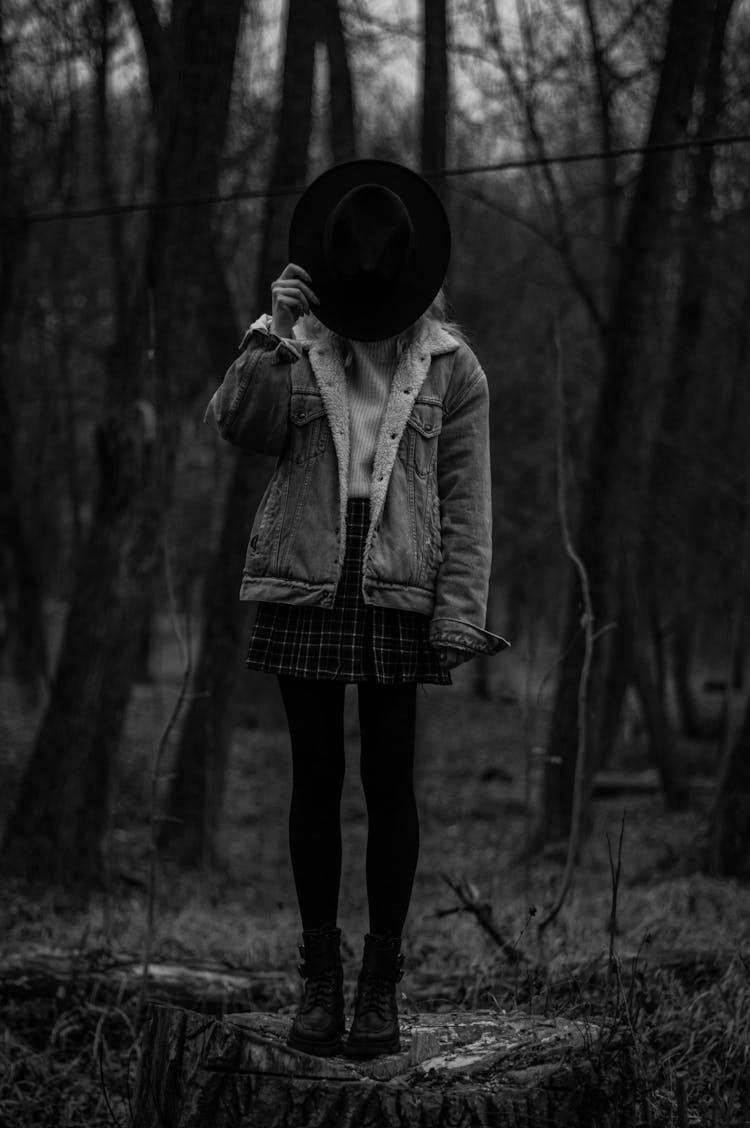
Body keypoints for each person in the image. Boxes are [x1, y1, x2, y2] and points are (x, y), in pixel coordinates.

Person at [205, 159, 507, 1060]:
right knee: (314, 782)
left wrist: (459, 611)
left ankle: (380, 985)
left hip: (398, 587)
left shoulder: (454, 366)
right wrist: (274, 326)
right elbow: (236, 425)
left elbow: (469, 498)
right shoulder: (298, 344)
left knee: (388, 783)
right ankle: (318, 980)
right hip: (305, 573)